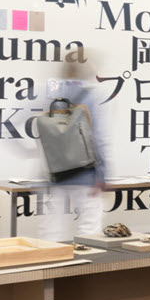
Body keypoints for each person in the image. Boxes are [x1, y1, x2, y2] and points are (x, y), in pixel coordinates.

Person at [35, 56, 110, 240]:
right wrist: (102, 175)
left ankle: (51, 258)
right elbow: (98, 138)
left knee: (52, 231)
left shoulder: (49, 95)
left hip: (55, 174)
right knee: (90, 230)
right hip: (85, 173)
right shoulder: (90, 97)